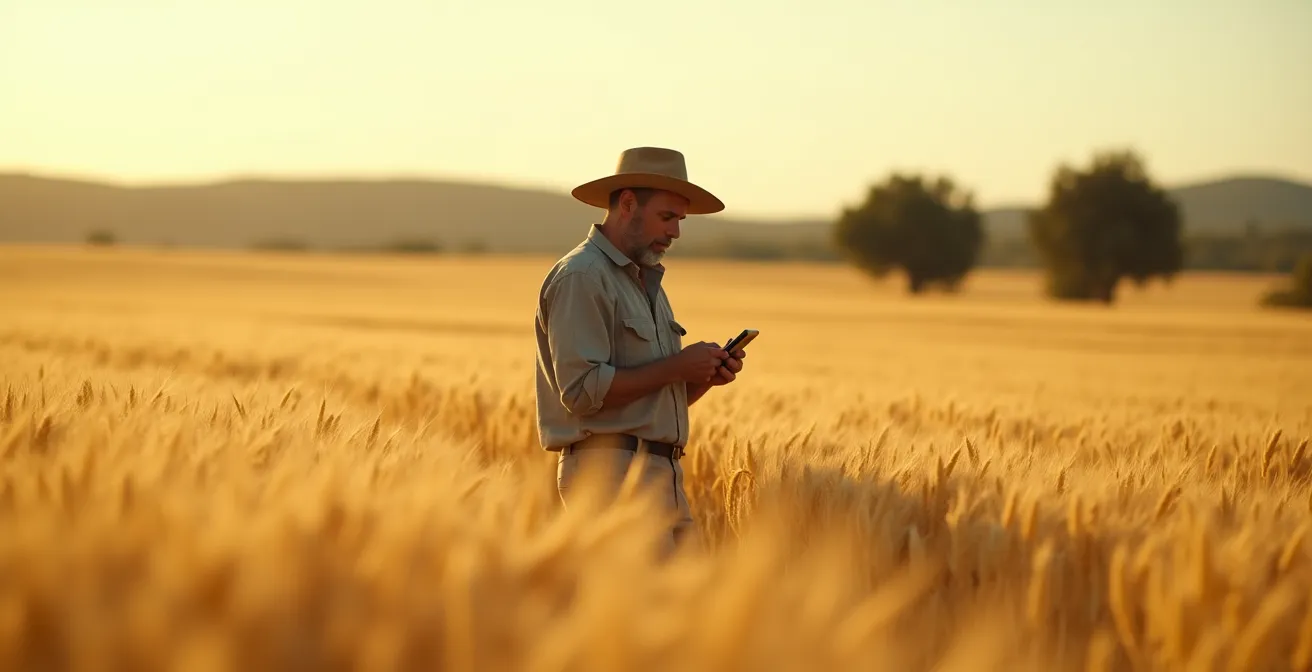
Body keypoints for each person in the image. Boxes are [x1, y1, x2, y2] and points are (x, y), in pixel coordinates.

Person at [534, 146, 747, 554]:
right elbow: (581, 391)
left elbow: (648, 399)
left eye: (680, 220)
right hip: (609, 476)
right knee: (643, 613)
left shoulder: (643, 282)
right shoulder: (583, 277)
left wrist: (700, 379)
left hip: (662, 476)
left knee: (685, 610)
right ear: (628, 204)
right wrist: (677, 366)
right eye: (667, 218)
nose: (676, 232)